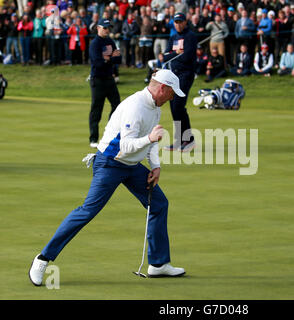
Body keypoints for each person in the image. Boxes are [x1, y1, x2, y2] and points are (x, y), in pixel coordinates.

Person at [28, 69, 187, 287]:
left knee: (158, 203)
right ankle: (43, 259)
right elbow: (126, 145)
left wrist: (156, 166)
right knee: (88, 211)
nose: (172, 98)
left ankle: (158, 264)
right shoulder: (135, 106)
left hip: (132, 166)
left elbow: (151, 141)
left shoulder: (156, 108)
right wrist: (150, 138)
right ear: (163, 88)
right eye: (171, 93)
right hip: (110, 163)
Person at [162, 12, 197, 152]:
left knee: (178, 105)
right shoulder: (173, 37)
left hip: (186, 74)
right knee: (173, 107)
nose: (178, 24)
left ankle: (189, 140)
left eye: (180, 22)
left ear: (185, 22)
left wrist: (175, 56)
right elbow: (165, 56)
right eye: (175, 22)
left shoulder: (190, 36)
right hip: (173, 75)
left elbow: (188, 57)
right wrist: (176, 54)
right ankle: (179, 140)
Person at [88, 18, 122, 148]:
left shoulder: (110, 41)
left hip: (109, 79)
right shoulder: (95, 44)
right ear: (98, 28)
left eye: (108, 28)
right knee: (97, 109)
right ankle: (93, 138)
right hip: (98, 79)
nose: (107, 30)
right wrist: (110, 59)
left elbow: (119, 58)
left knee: (117, 106)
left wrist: (108, 59)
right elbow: (97, 62)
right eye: (105, 28)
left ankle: (109, 133)